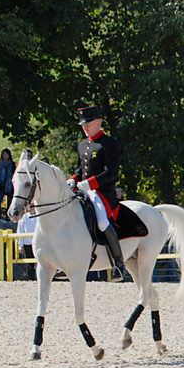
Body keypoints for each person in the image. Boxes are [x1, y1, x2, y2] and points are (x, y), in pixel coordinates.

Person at [68, 104, 126, 281]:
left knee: (101, 221)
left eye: (88, 123)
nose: (85, 127)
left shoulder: (108, 143)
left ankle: (119, 264)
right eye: (83, 124)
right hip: (84, 191)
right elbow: (79, 171)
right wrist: (72, 180)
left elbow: (112, 172)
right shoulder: (82, 144)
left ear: (98, 122)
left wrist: (90, 183)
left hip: (102, 193)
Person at [0, 148, 16, 219]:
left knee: (9, 203)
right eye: (4, 154)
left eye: (6, 154)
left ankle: (8, 217)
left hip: (9, 186)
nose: (5, 155)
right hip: (0, 185)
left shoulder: (12, 164)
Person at [17, 203, 38, 280]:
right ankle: (32, 278)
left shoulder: (40, 216)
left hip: (38, 243)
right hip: (28, 243)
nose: (32, 208)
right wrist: (20, 245)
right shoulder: (24, 218)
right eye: (30, 207)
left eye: (33, 206)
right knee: (30, 263)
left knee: (41, 262)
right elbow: (20, 231)